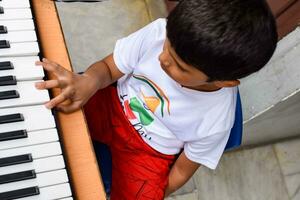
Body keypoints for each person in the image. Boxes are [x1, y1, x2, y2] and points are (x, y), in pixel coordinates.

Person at [35, 0, 277, 199]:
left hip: (148, 153)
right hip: (111, 103)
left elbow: (182, 170)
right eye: (166, 46)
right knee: (47, 101)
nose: (162, 59)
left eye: (179, 66)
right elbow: (108, 69)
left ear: (223, 82)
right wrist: (89, 80)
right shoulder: (159, 32)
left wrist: (152, 192)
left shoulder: (217, 120)